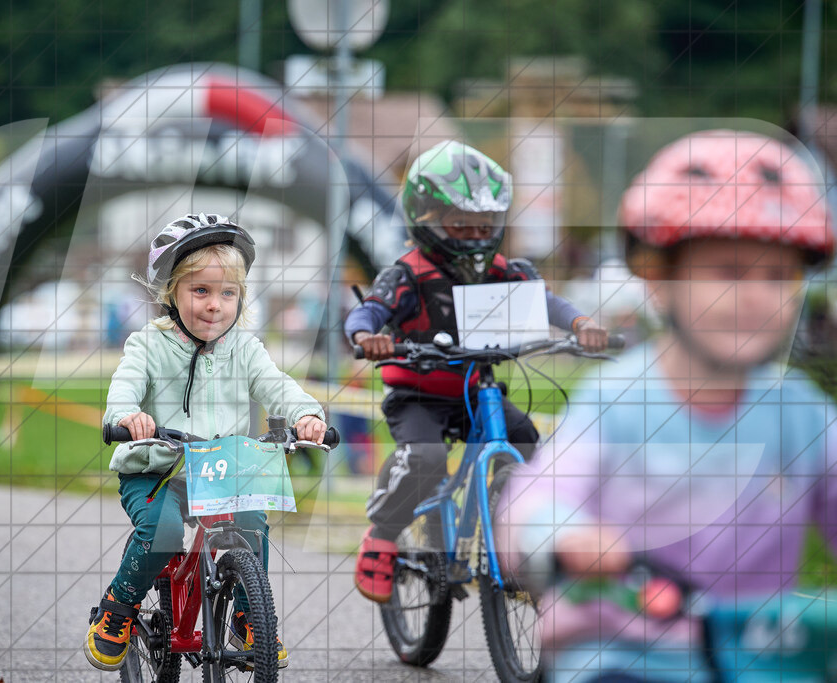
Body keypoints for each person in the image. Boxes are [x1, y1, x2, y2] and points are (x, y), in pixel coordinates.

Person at [498, 130, 837, 681]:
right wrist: (561, 532)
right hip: (624, 657)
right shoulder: (618, 402)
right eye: (728, 273)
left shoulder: (800, 413)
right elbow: (541, 492)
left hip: (762, 656)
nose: (756, 297)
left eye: (778, 277)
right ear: (659, 280)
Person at [345, 141, 608, 603]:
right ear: (424, 217)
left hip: (478, 390)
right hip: (419, 396)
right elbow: (369, 311)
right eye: (460, 223)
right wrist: (367, 337)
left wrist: (581, 324)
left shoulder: (505, 271)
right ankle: (383, 534)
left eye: (483, 224)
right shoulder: (407, 273)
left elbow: (546, 301)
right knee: (425, 459)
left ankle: (519, 537)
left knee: (526, 443)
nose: (473, 234)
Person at [85, 213, 328, 671]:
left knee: (252, 519)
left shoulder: (245, 348)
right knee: (164, 530)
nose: (215, 305)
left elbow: (277, 386)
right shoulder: (147, 345)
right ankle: (119, 606)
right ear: (170, 293)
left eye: (228, 293)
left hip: (221, 468)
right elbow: (124, 388)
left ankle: (246, 613)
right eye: (201, 291)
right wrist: (128, 417)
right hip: (157, 469)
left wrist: (307, 415)